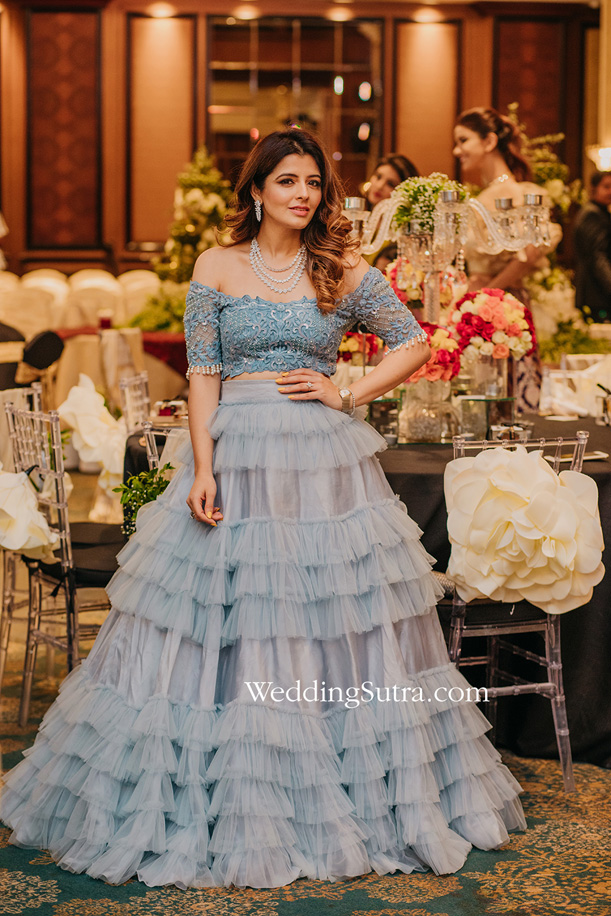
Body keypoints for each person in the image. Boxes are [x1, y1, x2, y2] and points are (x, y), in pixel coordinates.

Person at [0, 129, 525, 889]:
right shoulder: (215, 266)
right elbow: (203, 373)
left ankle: (333, 788)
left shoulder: (341, 266)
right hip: (234, 452)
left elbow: (413, 342)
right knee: (224, 617)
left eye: (312, 182)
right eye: (286, 181)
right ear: (256, 190)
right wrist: (202, 466)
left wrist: (346, 391)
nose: (302, 194)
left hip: (319, 464)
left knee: (321, 617)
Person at [453, 107, 560, 410]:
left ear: (489, 142)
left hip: (504, 308)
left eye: (463, 140)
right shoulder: (485, 196)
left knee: (504, 395)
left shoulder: (513, 194)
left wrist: (490, 293)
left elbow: (529, 254)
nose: (457, 150)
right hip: (483, 304)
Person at [573, 170, 611, 322]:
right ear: (594, 188)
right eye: (606, 187)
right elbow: (597, 257)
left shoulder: (600, 212)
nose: (610, 191)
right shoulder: (592, 214)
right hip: (596, 294)